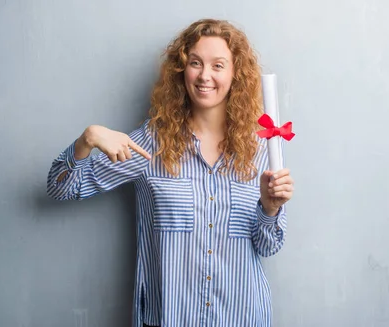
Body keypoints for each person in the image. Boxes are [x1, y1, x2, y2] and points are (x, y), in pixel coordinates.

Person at [46, 18, 295, 327]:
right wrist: (88, 139)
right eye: (195, 63)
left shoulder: (260, 149)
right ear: (182, 70)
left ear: (235, 75)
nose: (205, 75)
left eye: (218, 65)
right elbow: (61, 188)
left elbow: (268, 246)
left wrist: (270, 209)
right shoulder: (153, 143)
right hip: (171, 318)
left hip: (241, 316)